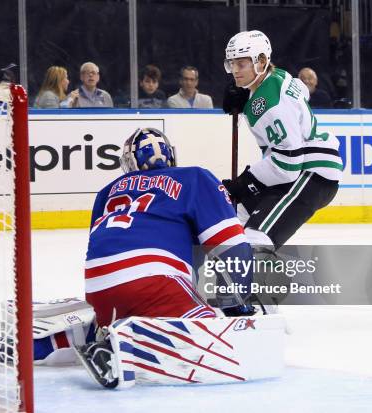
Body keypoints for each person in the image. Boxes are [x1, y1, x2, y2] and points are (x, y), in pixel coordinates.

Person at [84, 128, 254, 328]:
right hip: (155, 281)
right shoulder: (194, 177)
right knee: (212, 336)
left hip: (98, 288)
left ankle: (97, 333)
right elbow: (232, 244)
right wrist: (235, 303)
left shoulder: (106, 192)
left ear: (130, 161)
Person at [221, 30, 342, 250]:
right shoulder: (279, 76)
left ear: (262, 61)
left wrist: (245, 182)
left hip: (310, 172)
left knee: (255, 240)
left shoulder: (270, 104)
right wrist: (247, 95)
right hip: (298, 167)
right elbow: (302, 90)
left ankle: (282, 284)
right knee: (230, 222)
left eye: (241, 64)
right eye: (232, 64)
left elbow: (288, 165)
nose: (235, 71)